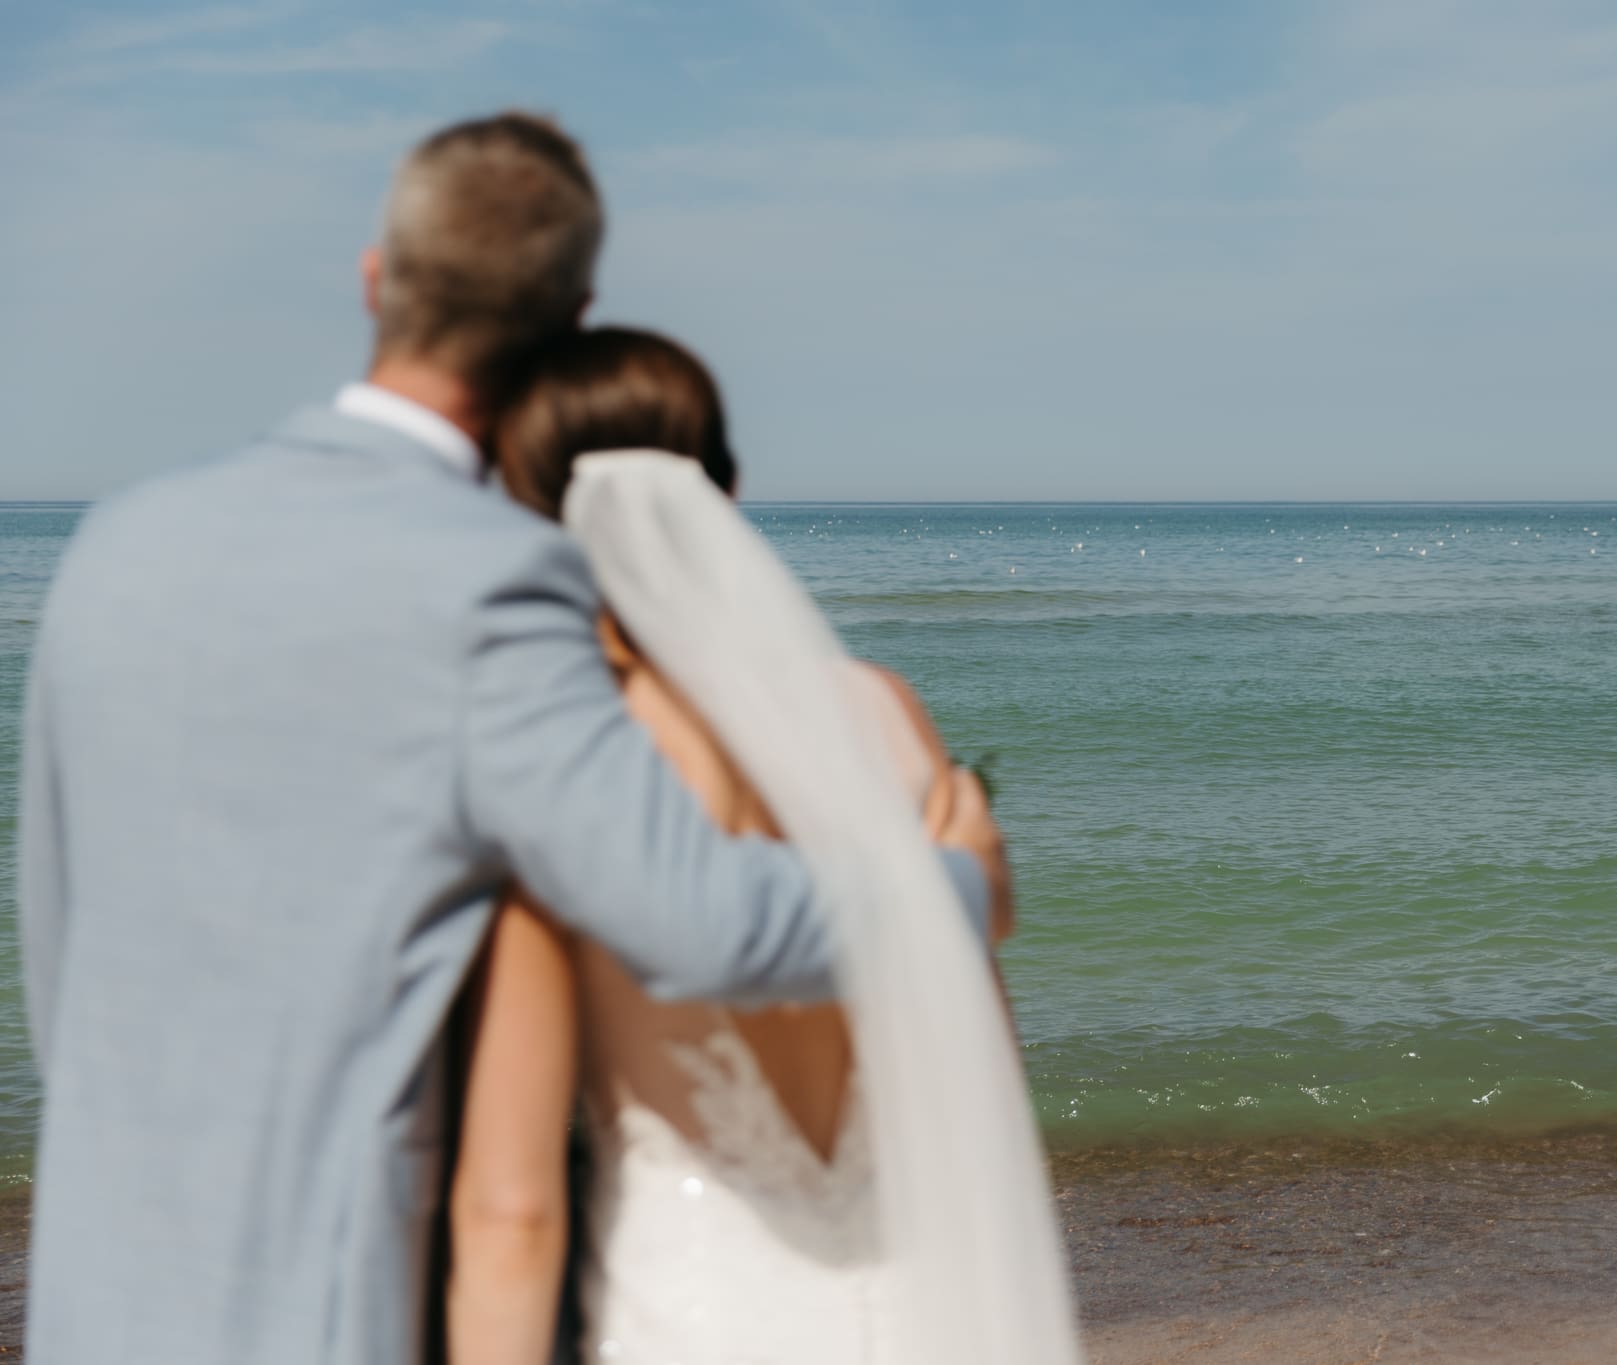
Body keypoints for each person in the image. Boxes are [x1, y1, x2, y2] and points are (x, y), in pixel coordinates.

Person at [15, 112, 1008, 1365]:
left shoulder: (115, 546)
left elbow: (64, 954)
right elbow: (699, 918)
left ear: (375, 279)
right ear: (572, 319)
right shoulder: (496, 583)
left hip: (99, 1291)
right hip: (330, 1313)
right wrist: (957, 887)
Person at [446, 327, 1081, 1365]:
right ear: (724, 494)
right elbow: (983, 1071)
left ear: (521, 515)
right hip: (925, 1310)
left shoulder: (559, 762)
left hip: (694, 1315)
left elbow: (509, 1214)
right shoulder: (881, 715)